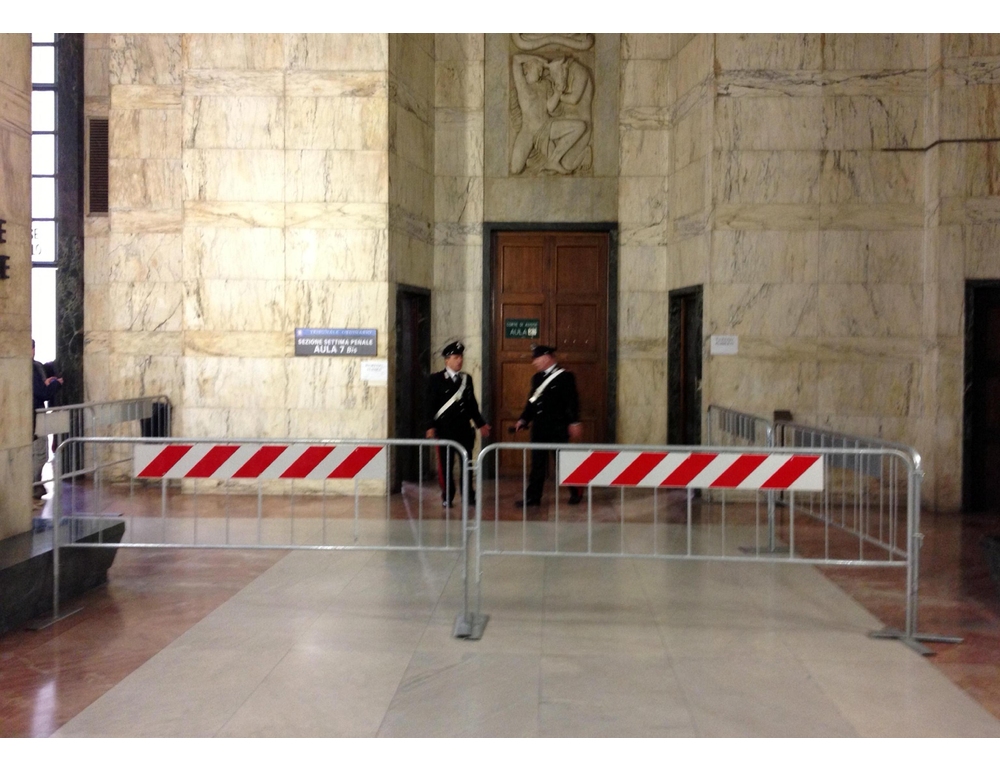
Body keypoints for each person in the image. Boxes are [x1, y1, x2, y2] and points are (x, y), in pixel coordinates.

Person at [514, 345, 583, 508]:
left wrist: (574, 422)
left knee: (563, 462)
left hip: (558, 427)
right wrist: (524, 419)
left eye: (536, 358)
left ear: (546, 357)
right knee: (537, 464)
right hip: (539, 428)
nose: (534, 362)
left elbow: (572, 401)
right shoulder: (537, 378)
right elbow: (532, 401)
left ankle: (576, 492)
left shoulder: (565, 377)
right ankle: (533, 497)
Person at [425, 341, 490, 508]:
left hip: (463, 430)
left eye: (461, 357)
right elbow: (429, 405)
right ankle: (447, 496)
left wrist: (480, 424)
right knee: (445, 467)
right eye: (456, 357)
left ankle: (468, 495)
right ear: (447, 360)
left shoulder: (466, 379)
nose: (459, 360)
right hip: (444, 430)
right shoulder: (436, 379)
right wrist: (430, 426)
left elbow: (472, 405)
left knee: (466, 465)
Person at [32, 339, 63, 499]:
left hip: (32, 416)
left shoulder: (34, 366)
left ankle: (35, 486)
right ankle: (32, 486)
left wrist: (46, 383)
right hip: (35, 417)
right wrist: (56, 384)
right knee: (40, 454)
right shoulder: (31, 367)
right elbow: (42, 393)